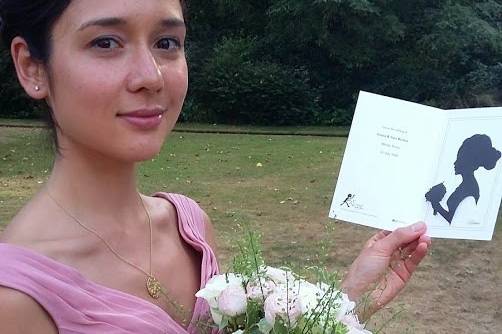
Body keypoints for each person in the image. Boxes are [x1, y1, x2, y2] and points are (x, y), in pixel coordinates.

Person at [0, 1, 431, 333]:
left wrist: (345, 302)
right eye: (106, 43)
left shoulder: (189, 224)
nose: (151, 76)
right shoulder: (15, 297)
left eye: (166, 43)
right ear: (31, 67)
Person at [426, 134, 501, 225]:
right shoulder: (465, 185)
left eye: (460, 159)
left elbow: (455, 221)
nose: (455, 163)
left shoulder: (470, 189)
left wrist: (435, 203)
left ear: (469, 162)